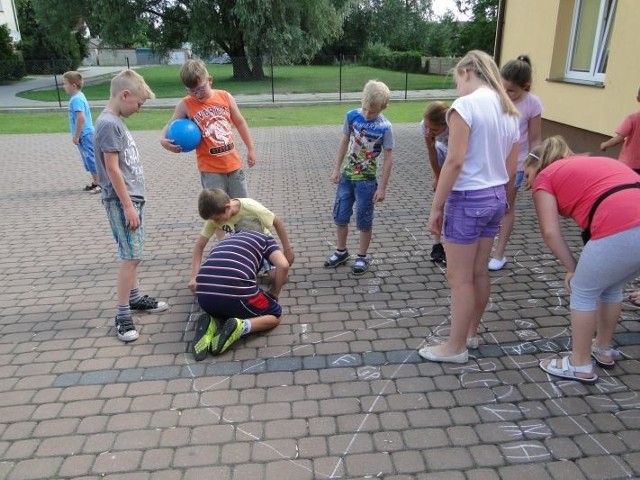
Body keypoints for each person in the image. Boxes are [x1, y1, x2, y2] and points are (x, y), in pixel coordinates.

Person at [419, 50, 520, 363]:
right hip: (494, 197)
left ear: (466, 71)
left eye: (456, 80)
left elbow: (455, 160)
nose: (457, 88)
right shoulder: (508, 109)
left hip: (468, 199)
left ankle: (455, 346)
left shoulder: (465, 105)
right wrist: (503, 201)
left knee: (459, 278)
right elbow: (511, 165)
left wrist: (437, 207)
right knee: (478, 272)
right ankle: (470, 334)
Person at [525, 135, 640, 384]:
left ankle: (579, 364)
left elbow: (550, 232)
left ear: (537, 164)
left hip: (620, 226)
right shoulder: (594, 162)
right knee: (610, 287)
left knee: (583, 291)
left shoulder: (546, 177)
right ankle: (604, 349)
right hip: (631, 223)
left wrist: (572, 268)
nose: (527, 183)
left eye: (526, 175)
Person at [94, 70, 169, 343]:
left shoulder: (112, 121)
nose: (138, 109)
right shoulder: (109, 124)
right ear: (125, 95)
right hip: (123, 200)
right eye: (138, 103)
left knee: (133, 252)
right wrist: (127, 205)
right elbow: (112, 169)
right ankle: (123, 313)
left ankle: (135, 298)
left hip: (132, 198)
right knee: (132, 256)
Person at [191, 216, 290, 361]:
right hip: (237, 295)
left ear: (236, 230)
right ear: (261, 230)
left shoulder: (225, 240)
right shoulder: (263, 239)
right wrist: (275, 292)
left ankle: (212, 321)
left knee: (225, 305)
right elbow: (284, 265)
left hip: (204, 297)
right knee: (276, 316)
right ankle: (241, 326)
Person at [324, 79, 394, 276]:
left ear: (383, 107)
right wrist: (336, 169)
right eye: (366, 109)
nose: (368, 114)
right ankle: (341, 251)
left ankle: (362, 256)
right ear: (362, 100)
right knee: (340, 216)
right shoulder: (352, 116)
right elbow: (344, 141)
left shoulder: (385, 127)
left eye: (373, 111)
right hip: (347, 178)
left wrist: (382, 188)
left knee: (364, 219)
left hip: (367, 182)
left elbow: (389, 158)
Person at [160, 59, 256, 197]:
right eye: (192, 91)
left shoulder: (225, 97)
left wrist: (251, 148)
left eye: (201, 89)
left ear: (209, 80)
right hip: (210, 170)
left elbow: (240, 122)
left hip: (233, 165)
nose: (197, 94)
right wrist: (163, 140)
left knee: (243, 204)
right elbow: (170, 124)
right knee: (217, 208)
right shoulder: (185, 104)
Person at [488, 55, 542, 271]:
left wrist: (533, 164)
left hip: (516, 165)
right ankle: (480, 247)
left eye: (511, 91)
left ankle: (499, 254)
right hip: (491, 162)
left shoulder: (532, 103)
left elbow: (536, 139)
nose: (506, 94)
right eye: (503, 88)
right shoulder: (494, 98)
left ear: (525, 86)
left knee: (506, 207)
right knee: (487, 205)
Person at [188, 188, 295, 294]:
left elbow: (277, 222)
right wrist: (194, 277)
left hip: (260, 245)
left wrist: (287, 250)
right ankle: (250, 268)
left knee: (280, 278)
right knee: (230, 279)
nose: (215, 221)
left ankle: (259, 266)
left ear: (227, 207)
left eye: (216, 219)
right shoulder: (214, 217)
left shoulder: (252, 207)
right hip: (239, 248)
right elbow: (199, 247)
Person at [421, 101, 450, 264]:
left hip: (459, 161)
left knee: (452, 204)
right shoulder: (425, 127)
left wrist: (446, 181)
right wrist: (437, 177)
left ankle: (452, 247)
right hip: (442, 157)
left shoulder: (455, 127)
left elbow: (455, 161)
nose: (428, 131)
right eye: (427, 126)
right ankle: (437, 245)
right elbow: (432, 153)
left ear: (445, 125)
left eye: (434, 129)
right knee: (439, 204)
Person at [62, 71, 101, 194]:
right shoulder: (78, 96)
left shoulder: (76, 100)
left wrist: (77, 136)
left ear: (73, 85)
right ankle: (95, 182)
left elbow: (81, 118)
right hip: (85, 134)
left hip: (85, 134)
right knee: (88, 160)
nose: (64, 86)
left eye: (65, 84)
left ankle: (101, 184)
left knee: (91, 159)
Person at [600, 85, 640, 174]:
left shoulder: (632, 118)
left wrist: (605, 144)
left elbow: (619, 138)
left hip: (629, 164)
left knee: (627, 185)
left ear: (638, 99)